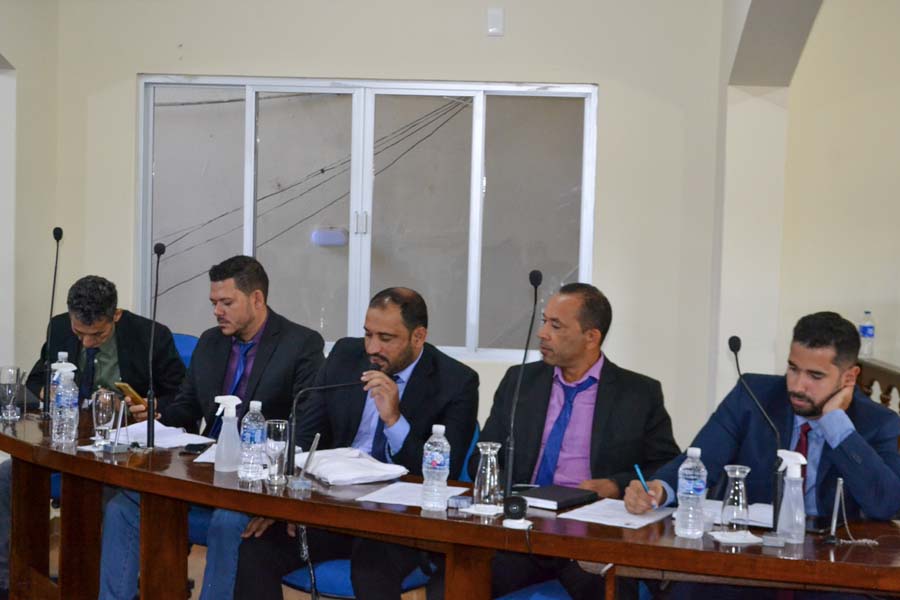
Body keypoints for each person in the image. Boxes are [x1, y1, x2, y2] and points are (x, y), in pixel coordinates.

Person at [624, 311, 900, 600]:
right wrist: (659, 489)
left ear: (849, 377)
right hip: (749, 559)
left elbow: (887, 504)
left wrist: (835, 423)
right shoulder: (753, 396)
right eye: (793, 369)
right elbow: (703, 457)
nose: (797, 386)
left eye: (815, 376)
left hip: (831, 571)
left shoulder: (877, 422)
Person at [98, 256, 325, 600]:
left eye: (226, 303)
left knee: (227, 521)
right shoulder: (210, 342)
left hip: (251, 483)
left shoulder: (300, 344)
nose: (217, 311)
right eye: (213, 302)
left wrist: (275, 501)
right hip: (202, 472)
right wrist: (157, 415)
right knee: (123, 508)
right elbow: (186, 407)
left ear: (257, 299)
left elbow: (303, 433)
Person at [233, 287, 479, 600]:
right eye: (368, 334)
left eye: (386, 338)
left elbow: (444, 473)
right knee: (256, 548)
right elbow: (305, 436)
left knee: (371, 567)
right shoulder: (345, 356)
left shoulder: (456, 381)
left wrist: (394, 421)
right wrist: (286, 504)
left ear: (418, 337)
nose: (372, 348)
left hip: (398, 523)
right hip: (333, 509)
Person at [465, 283, 680, 600]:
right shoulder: (520, 381)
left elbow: (664, 466)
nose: (542, 333)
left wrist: (614, 484)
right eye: (544, 321)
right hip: (522, 528)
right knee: (460, 579)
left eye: (556, 325)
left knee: (611, 591)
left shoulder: (638, 393)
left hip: (591, 534)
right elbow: (482, 458)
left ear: (591, 337)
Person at [0, 275, 186, 600]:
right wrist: (48, 391)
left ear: (116, 315)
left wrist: (154, 408)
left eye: (97, 334)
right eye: (79, 333)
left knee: (109, 500)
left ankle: (101, 588)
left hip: (125, 452)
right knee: (6, 477)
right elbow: (36, 379)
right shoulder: (59, 327)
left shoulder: (150, 336)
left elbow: (182, 397)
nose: (86, 342)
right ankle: (7, 580)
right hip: (68, 444)